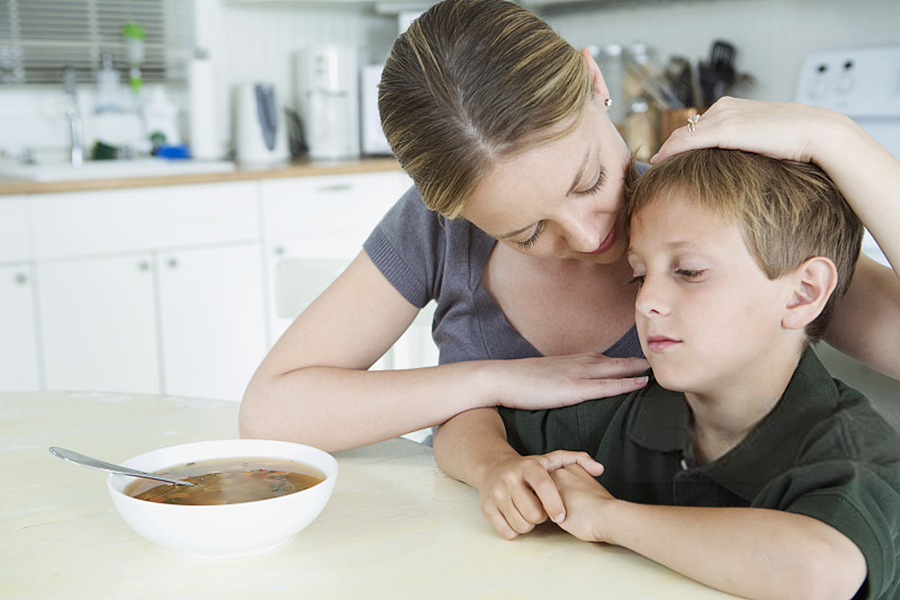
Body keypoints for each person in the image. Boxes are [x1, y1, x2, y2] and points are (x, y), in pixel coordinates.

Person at [239, 0, 900, 453]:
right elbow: (272, 411)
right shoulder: (437, 231)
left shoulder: (712, 218)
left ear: (594, 80)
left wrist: (836, 137)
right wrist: (493, 379)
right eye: (525, 233)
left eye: (588, 180)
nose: (588, 237)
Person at [488, 148, 899, 599]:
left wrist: (605, 515)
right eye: (639, 276)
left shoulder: (856, 448)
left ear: (802, 293)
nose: (646, 303)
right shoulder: (637, 410)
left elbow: (819, 573)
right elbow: (472, 421)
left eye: (689, 271)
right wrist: (500, 468)